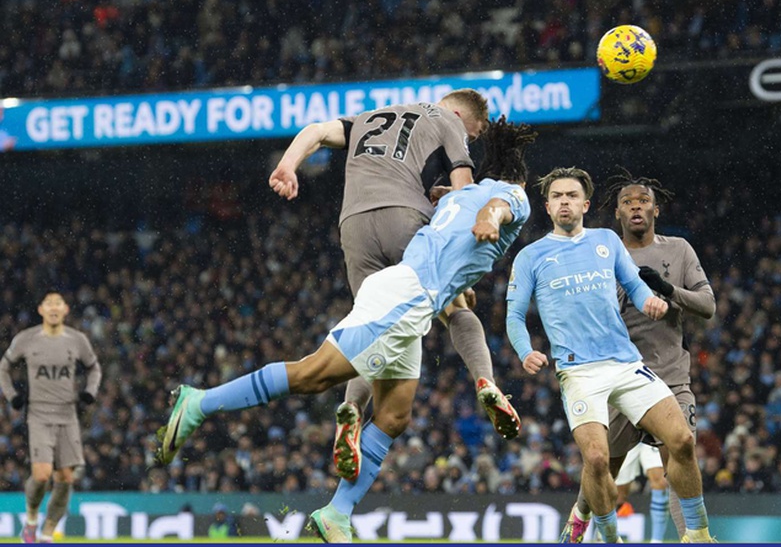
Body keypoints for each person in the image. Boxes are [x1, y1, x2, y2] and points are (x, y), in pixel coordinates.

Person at [155, 117, 537, 543]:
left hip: (408, 293)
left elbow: (456, 223)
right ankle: (200, 403)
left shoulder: (457, 197)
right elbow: (498, 210)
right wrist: (490, 217)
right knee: (312, 374)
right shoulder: (510, 195)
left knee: (394, 416)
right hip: (405, 298)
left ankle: (337, 512)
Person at [268, 88, 520, 481]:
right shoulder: (447, 119)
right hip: (405, 218)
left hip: (353, 225)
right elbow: (465, 192)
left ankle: (351, 408)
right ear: (459, 113)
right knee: (457, 309)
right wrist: (455, 266)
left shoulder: (369, 116)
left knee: (369, 328)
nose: (468, 139)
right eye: (472, 134)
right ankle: (485, 380)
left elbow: (315, 131)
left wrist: (288, 166)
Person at [506, 167, 715, 543]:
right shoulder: (530, 256)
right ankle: (606, 535)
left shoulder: (606, 241)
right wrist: (525, 351)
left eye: (571, 195)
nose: (564, 201)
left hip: (629, 364)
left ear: (585, 204)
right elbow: (515, 315)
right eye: (557, 196)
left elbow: (635, 285)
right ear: (547, 205)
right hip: (580, 372)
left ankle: (698, 534)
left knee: (681, 442)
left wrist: (651, 299)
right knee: (601, 462)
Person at [0, 291, 102, 543]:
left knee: (66, 477)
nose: (54, 307)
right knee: (43, 474)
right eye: (49, 303)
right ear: (41, 310)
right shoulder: (26, 339)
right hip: (39, 414)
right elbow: (4, 367)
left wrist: (90, 392)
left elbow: (94, 367)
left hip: (68, 416)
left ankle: (47, 533)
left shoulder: (77, 340)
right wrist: (12, 395)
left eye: (58, 303)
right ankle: (32, 519)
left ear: (66, 309)